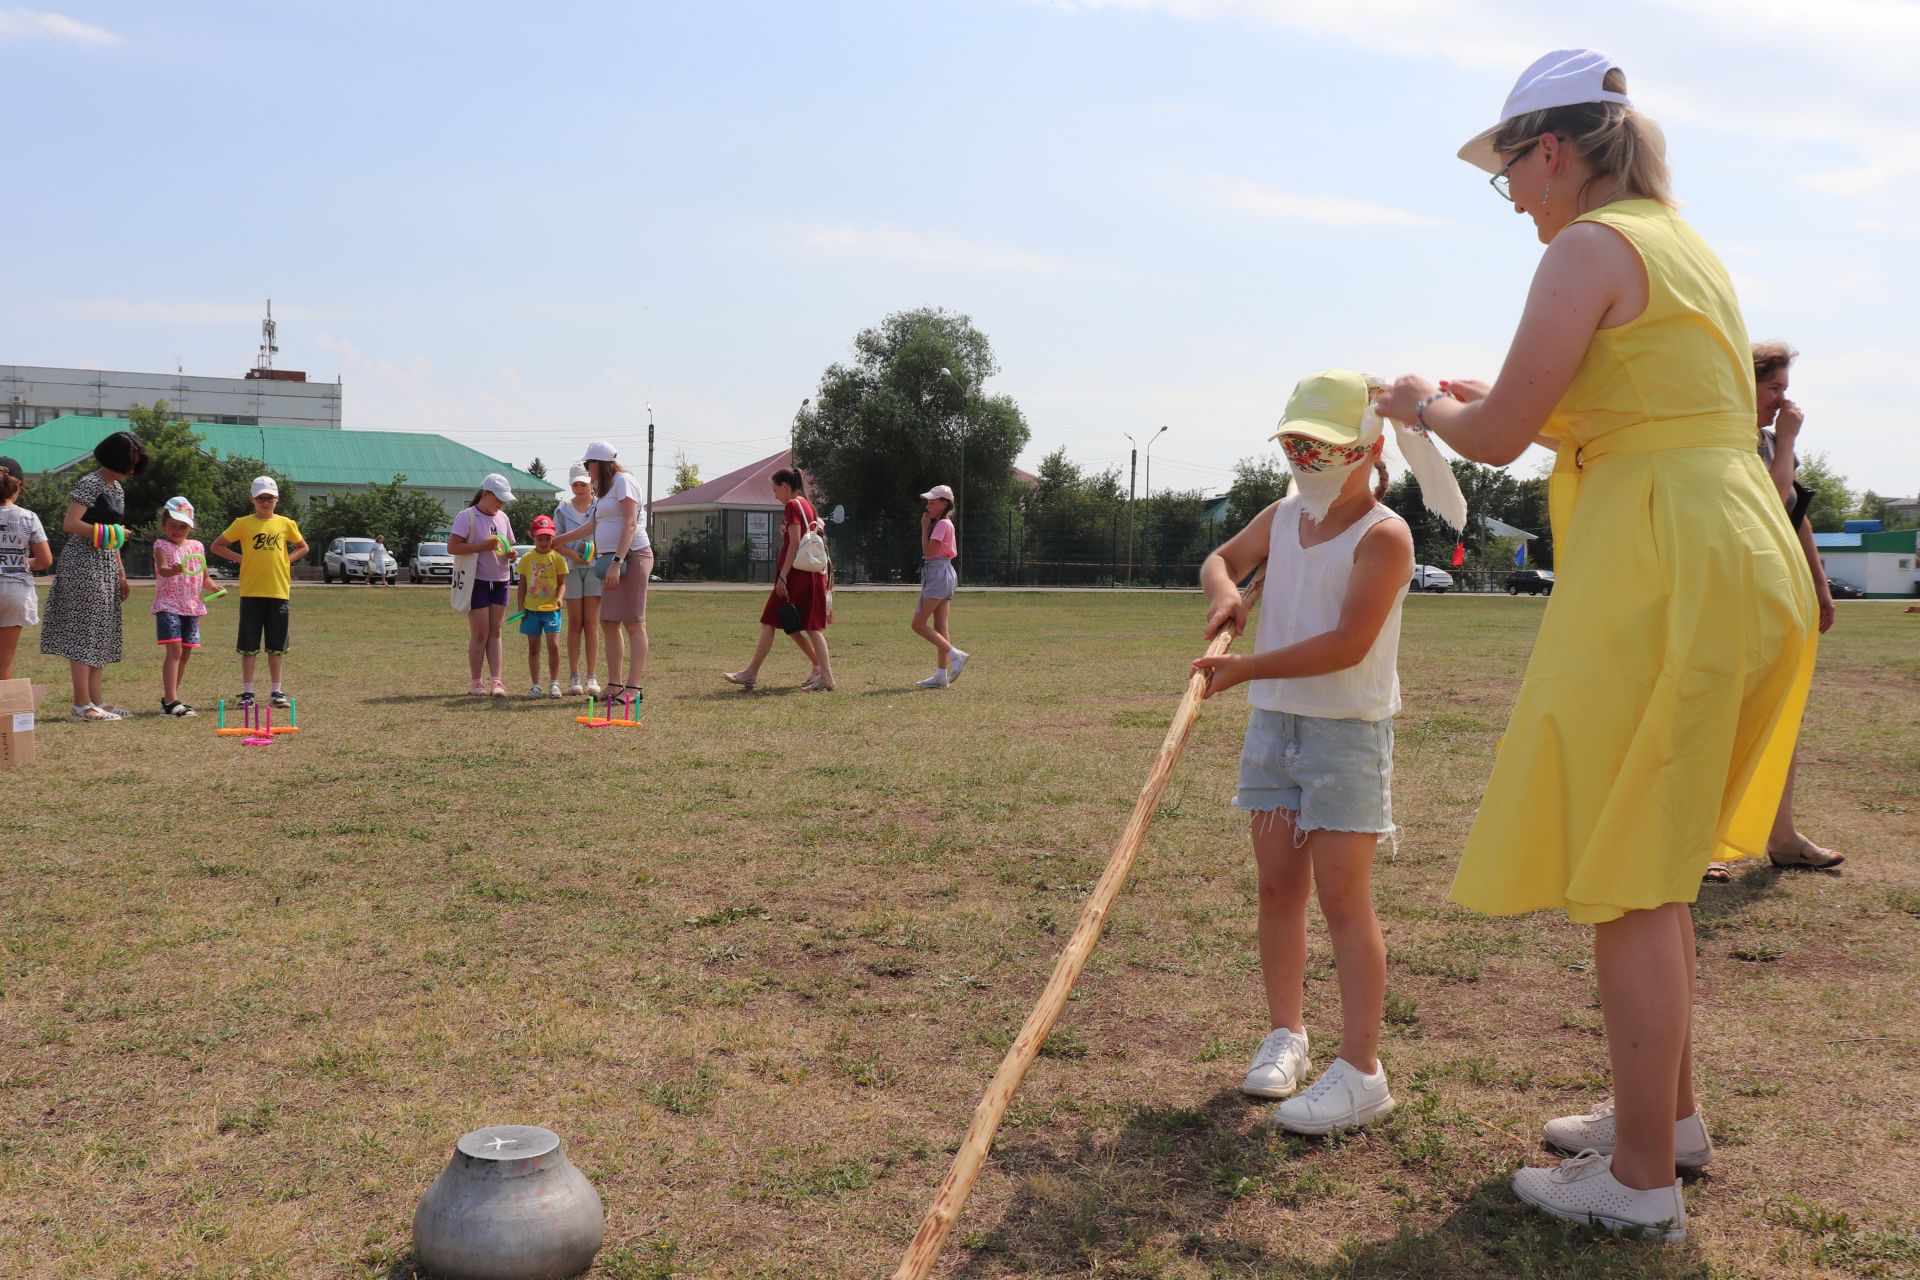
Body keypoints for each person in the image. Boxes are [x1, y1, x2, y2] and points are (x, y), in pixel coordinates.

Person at [1376, 50, 1813, 1241]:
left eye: (1510, 170)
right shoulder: (1682, 245)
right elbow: (1632, 396)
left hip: (1666, 562)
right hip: (1732, 548)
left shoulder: (1585, 246)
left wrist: (1423, 404)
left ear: (1551, 151)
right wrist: (1481, 397)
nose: (1513, 196)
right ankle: (1661, 1124)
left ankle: (1638, 1183)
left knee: (1627, 870)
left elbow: (1505, 430)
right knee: (1654, 857)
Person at [1191, 370, 1463, 1137]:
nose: (1307, 459)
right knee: (1278, 889)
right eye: (1296, 445)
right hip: (1273, 728)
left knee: (1345, 900)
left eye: (1323, 447)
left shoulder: (1385, 534)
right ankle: (1287, 1035)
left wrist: (1246, 670)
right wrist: (1227, 593)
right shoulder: (1281, 515)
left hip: (1346, 731)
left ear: (1369, 448)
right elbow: (1221, 558)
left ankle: (1361, 1069)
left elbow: (1349, 645)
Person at [1703, 342, 1839, 880]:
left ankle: (1783, 836)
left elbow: (1796, 515)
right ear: (1744, 383)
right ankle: (1699, 845)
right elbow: (1772, 500)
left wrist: (1821, 586)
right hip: (1732, 590)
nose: (1783, 399)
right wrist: (1786, 441)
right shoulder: (1726, 434)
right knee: (1720, 720)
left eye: (1785, 388)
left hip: (1776, 590)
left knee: (1778, 714)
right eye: (1773, 387)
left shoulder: (1766, 439)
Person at [41, 430, 148, 721]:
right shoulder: (89, 483)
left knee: (100, 633)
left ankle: (97, 702)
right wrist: (113, 532)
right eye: (129, 463)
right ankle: (81, 705)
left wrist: (122, 573)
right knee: (83, 633)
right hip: (82, 564)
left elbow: (110, 537)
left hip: (106, 565)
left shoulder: (117, 489)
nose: (132, 470)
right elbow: (71, 523)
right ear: (115, 459)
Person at [722, 467, 836, 692]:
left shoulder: (793, 505)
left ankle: (752, 673)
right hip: (809, 576)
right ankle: (820, 671)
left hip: (796, 577)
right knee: (794, 625)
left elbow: (793, 544)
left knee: (777, 623)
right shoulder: (807, 505)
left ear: (785, 486)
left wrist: (782, 578)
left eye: (775, 490)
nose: (774, 495)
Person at [558, 442, 654, 707]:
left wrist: (617, 561)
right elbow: (593, 524)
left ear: (600, 463)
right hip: (610, 561)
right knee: (609, 621)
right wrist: (560, 540)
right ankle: (614, 684)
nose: (587, 470)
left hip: (632, 557)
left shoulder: (624, 482)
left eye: (589, 464)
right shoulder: (603, 491)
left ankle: (633, 688)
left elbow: (630, 523)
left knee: (634, 623)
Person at [211, 476, 308, 712]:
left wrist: (287, 559)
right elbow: (217, 546)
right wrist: (242, 559)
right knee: (249, 645)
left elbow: (303, 546)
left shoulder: (286, 523)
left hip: (278, 592)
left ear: (277, 499)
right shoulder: (242, 523)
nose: (265, 502)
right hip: (252, 592)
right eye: (261, 498)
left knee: (276, 645)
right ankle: (248, 692)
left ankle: (277, 691)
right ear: (252, 499)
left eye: (270, 498)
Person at [447, 473, 518, 697]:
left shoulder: (503, 518)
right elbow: (453, 547)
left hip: (500, 580)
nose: (502, 503)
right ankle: (476, 682)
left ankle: (497, 682)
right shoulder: (467, 516)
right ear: (485, 494)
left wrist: (511, 554)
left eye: (504, 499)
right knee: (480, 632)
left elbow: (507, 547)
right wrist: (481, 546)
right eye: (498, 498)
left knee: (495, 631)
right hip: (475, 581)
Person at [152, 496, 212, 717]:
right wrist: (175, 569)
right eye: (173, 526)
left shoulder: (197, 547)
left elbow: (205, 578)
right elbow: (163, 570)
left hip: (192, 607)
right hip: (169, 605)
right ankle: (170, 701)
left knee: (185, 653)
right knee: (174, 651)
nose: (177, 531)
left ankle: (170, 698)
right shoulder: (161, 545)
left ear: (190, 526)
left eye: (183, 526)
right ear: (164, 524)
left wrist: (215, 588)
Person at [910, 484, 969, 689]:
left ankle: (955, 655)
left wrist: (925, 528)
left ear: (944, 504)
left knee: (917, 624)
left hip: (937, 572)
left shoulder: (942, 524)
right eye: (928, 502)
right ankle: (941, 675)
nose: (928, 506)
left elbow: (928, 551)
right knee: (940, 627)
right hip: (943, 571)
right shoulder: (945, 524)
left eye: (933, 502)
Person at [515, 515, 579, 698]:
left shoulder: (558, 559)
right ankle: (535, 685)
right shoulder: (527, 558)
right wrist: (520, 606)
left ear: (553, 536)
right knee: (534, 647)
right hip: (531, 611)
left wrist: (559, 599)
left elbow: (562, 584)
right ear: (533, 536)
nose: (544, 542)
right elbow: (522, 585)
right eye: (540, 538)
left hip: (551, 610)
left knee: (554, 646)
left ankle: (554, 683)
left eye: (547, 538)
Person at [552, 462, 602, 697]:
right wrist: (574, 556)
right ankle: (574, 678)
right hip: (571, 569)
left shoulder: (600, 506)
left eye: (583, 483)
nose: (580, 488)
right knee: (575, 622)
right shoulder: (562, 509)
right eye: (575, 484)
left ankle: (592, 677)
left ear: (591, 483)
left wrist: (592, 555)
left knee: (591, 623)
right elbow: (554, 541)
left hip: (595, 569)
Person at [0, 457, 52, 680]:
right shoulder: (29, 517)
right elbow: (44, 560)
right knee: (4, 660)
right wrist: (21, 562)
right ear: (18, 485)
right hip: (15, 592)